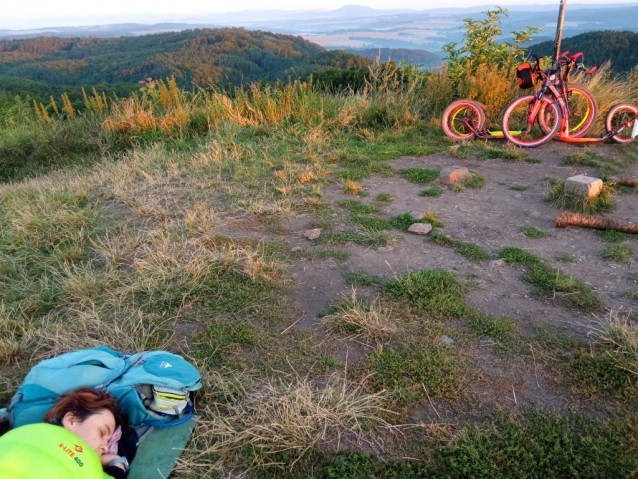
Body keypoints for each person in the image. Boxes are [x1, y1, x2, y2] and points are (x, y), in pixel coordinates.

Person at [0, 388, 137, 479]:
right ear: (71, 420)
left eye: (108, 441)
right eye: (101, 432)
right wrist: (116, 462)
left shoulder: (24, 431)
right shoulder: (89, 467)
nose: (106, 448)